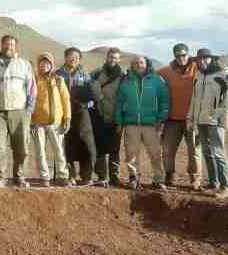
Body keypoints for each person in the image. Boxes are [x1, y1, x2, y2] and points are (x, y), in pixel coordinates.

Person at [187, 48, 228, 199]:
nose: (202, 61)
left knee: (219, 153)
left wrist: (223, 110)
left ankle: (226, 187)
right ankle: (214, 184)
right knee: (207, 153)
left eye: (205, 58)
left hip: (216, 121)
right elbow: (195, 99)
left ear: (211, 59)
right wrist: (190, 118)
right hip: (201, 121)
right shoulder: (199, 76)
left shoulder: (222, 74)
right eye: (199, 59)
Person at [0, 35, 36, 189]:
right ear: (1, 45)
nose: (9, 47)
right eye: (6, 44)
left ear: (15, 46)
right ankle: (0, 177)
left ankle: (19, 176)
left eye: (12, 44)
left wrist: (29, 111)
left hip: (20, 112)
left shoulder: (24, 65)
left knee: (22, 147)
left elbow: (32, 89)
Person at [115, 56, 169, 191]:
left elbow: (164, 100)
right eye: (135, 63)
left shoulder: (156, 80)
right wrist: (119, 121)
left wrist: (161, 118)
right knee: (131, 154)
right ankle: (134, 178)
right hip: (131, 123)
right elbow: (119, 103)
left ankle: (159, 180)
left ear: (146, 64)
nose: (139, 65)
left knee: (155, 153)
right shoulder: (126, 81)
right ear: (132, 65)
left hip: (151, 124)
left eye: (141, 62)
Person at [159, 43, 203, 190]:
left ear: (188, 54)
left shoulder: (198, 68)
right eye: (178, 55)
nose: (181, 58)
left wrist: (226, 71)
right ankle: (169, 174)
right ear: (174, 56)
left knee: (194, 151)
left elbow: (214, 70)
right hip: (172, 119)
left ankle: (195, 178)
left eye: (183, 55)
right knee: (166, 149)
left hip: (192, 119)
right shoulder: (167, 71)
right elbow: (150, 75)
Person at [57, 47, 98, 186]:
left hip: (82, 113)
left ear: (79, 59)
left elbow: (93, 96)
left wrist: (89, 104)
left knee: (86, 143)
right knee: (65, 144)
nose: (73, 58)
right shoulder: (58, 74)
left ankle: (86, 175)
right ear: (65, 58)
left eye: (76, 57)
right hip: (63, 114)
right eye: (70, 56)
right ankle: (69, 175)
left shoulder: (85, 75)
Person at [30, 52, 72, 187]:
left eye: (48, 63)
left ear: (52, 65)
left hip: (56, 123)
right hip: (38, 123)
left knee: (59, 150)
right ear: (39, 64)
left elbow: (66, 100)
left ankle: (62, 176)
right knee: (40, 151)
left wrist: (67, 118)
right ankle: (44, 177)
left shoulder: (59, 80)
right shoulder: (34, 80)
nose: (45, 65)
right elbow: (30, 100)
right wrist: (30, 119)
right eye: (42, 62)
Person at [89, 48, 125, 187]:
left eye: (116, 58)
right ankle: (101, 176)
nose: (113, 60)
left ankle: (114, 177)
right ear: (106, 57)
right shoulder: (96, 73)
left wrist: (121, 118)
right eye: (111, 57)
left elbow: (124, 98)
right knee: (100, 149)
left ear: (119, 59)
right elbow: (88, 89)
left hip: (116, 118)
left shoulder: (122, 76)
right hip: (99, 117)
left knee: (115, 150)